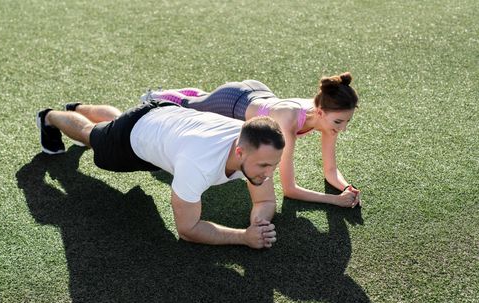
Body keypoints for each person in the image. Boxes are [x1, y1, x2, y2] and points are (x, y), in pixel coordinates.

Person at [35, 100, 285, 249]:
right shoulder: (198, 163)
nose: (269, 172)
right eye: (264, 166)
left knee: (117, 122)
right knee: (91, 136)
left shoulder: (255, 144)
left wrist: (258, 223)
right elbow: (187, 230)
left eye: (273, 165)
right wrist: (244, 237)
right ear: (239, 152)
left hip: (161, 120)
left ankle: (77, 107)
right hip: (134, 137)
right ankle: (49, 116)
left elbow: (264, 201)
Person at [141, 73, 361, 208]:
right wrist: (334, 200)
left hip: (258, 94)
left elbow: (330, 171)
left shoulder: (327, 119)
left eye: (347, 122)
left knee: (200, 99)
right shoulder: (287, 121)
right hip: (232, 103)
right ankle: (154, 98)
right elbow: (289, 190)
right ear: (320, 112)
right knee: (188, 106)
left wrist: (346, 187)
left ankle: (191, 96)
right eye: (339, 122)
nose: (342, 129)